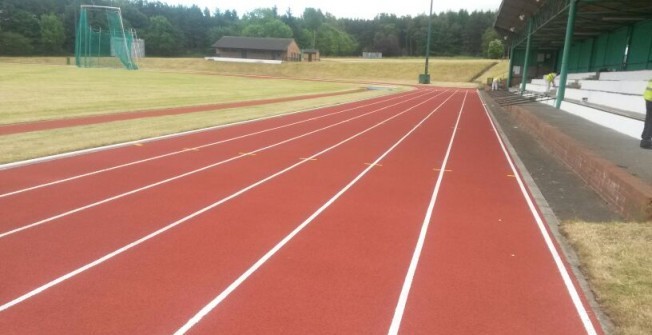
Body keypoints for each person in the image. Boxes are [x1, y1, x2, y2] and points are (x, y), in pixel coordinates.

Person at [640, 79, 652, 149]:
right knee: (650, 121)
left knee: (648, 120)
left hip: (648, 99)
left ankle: (644, 138)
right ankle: (646, 141)